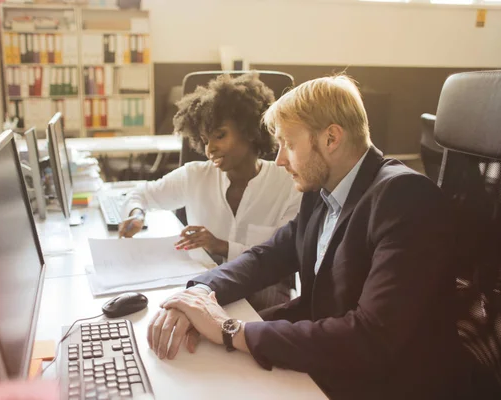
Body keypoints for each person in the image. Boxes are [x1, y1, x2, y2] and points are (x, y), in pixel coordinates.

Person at [147, 75, 473, 399]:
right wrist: (199, 295)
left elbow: (370, 338)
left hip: (388, 383)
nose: (280, 160)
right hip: (329, 360)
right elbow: (267, 257)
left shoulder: (405, 198)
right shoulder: (321, 191)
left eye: (289, 144)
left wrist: (231, 331)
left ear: (331, 138)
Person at [118, 73, 302, 311]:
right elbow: (141, 194)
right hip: (207, 290)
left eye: (220, 135)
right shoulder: (195, 176)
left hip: (264, 294)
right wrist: (137, 214)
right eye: (205, 139)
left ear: (249, 131)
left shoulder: (287, 183)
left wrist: (222, 246)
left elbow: (283, 259)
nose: (209, 149)